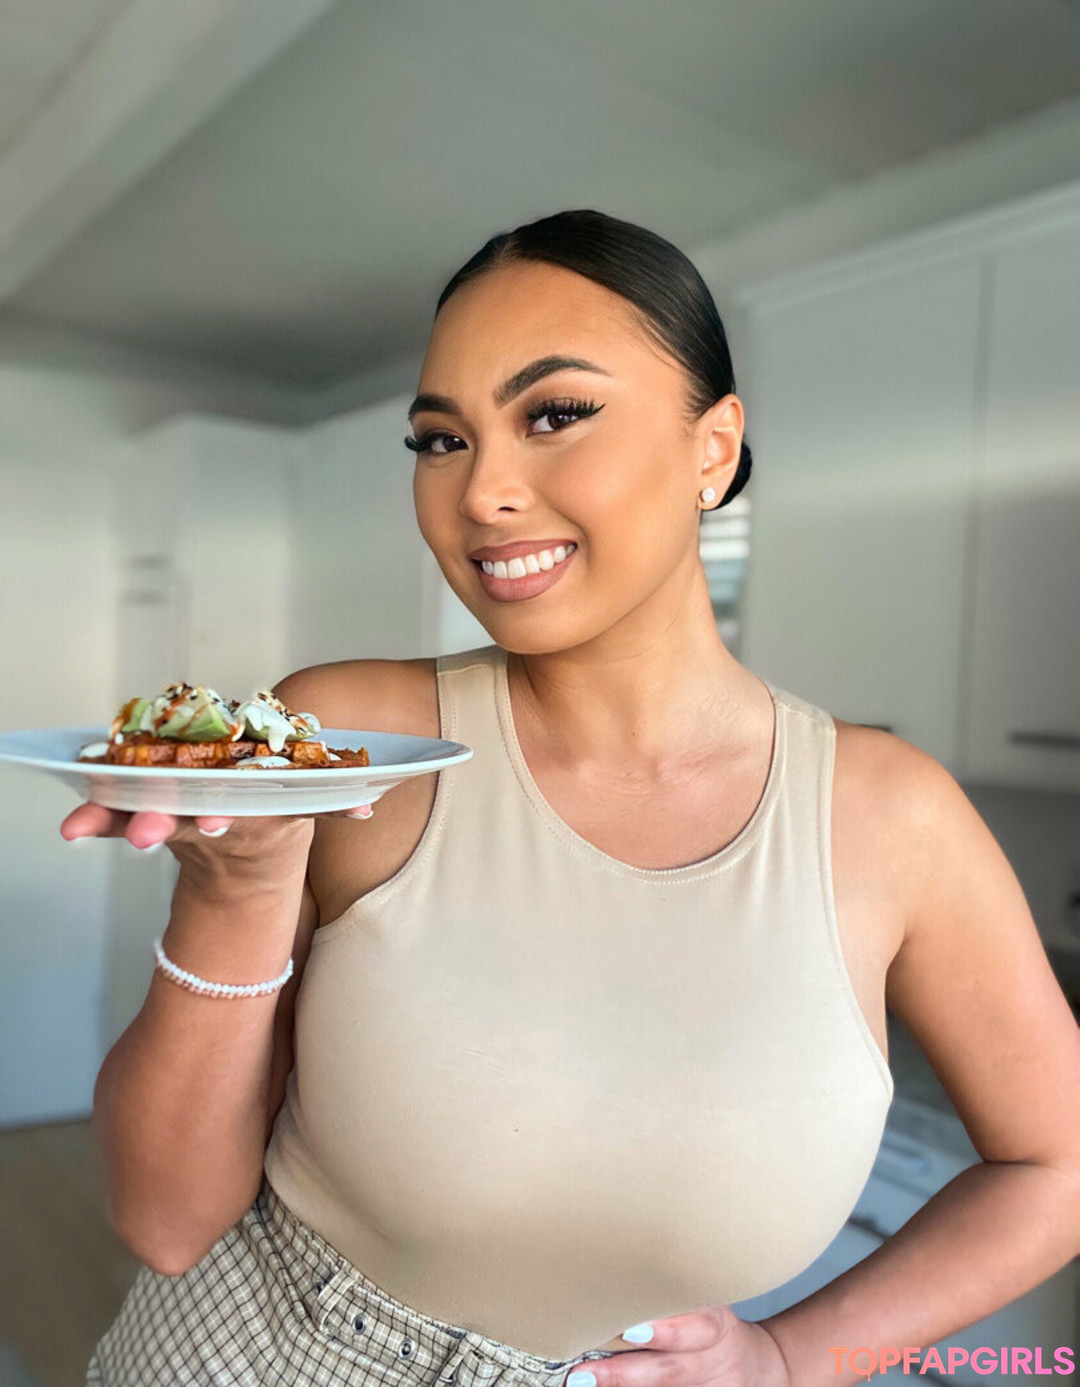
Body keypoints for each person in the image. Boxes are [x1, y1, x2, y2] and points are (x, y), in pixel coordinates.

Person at [72, 209, 1080, 1387]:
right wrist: (234, 892)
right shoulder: (354, 740)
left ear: (713, 449)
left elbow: (1059, 1167)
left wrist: (793, 1358)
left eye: (554, 414)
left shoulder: (893, 818)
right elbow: (164, 1219)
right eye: (441, 439)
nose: (482, 491)